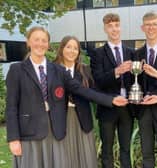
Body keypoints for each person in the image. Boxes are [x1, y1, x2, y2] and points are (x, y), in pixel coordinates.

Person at [5, 26, 128, 168]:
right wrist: (13, 138)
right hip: (30, 133)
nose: (40, 44)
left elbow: (81, 89)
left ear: (48, 44)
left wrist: (111, 100)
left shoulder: (58, 70)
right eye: (36, 40)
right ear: (28, 42)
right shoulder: (17, 69)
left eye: (44, 40)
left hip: (55, 130)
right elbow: (11, 107)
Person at [90, 13, 135, 168]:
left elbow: (137, 80)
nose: (114, 29)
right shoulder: (98, 53)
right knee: (107, 152)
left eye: (116, 25)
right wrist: (117, 71)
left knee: (125, 150)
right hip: (108, 108)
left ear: (120, 27)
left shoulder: (131, 52)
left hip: (128, 108)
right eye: (110, 26)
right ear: (105, 29)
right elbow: (99, 81)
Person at [54, 35, 98, 168]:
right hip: (60, 119)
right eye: (68, 47)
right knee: (63, 155)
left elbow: (95, 92)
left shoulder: (85, 70)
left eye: (75, 48)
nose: (72, 51)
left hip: (82, 119)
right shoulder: (52, 69)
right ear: (62, 48)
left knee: (85, 156)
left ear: (78, 52)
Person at [136, 11, 157, 168]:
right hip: (144, 112)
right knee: (147, 156)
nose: (151, 28)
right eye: (148, 25)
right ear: (142, 28)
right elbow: (133, 83)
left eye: (154, 24)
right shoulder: (136, 54)